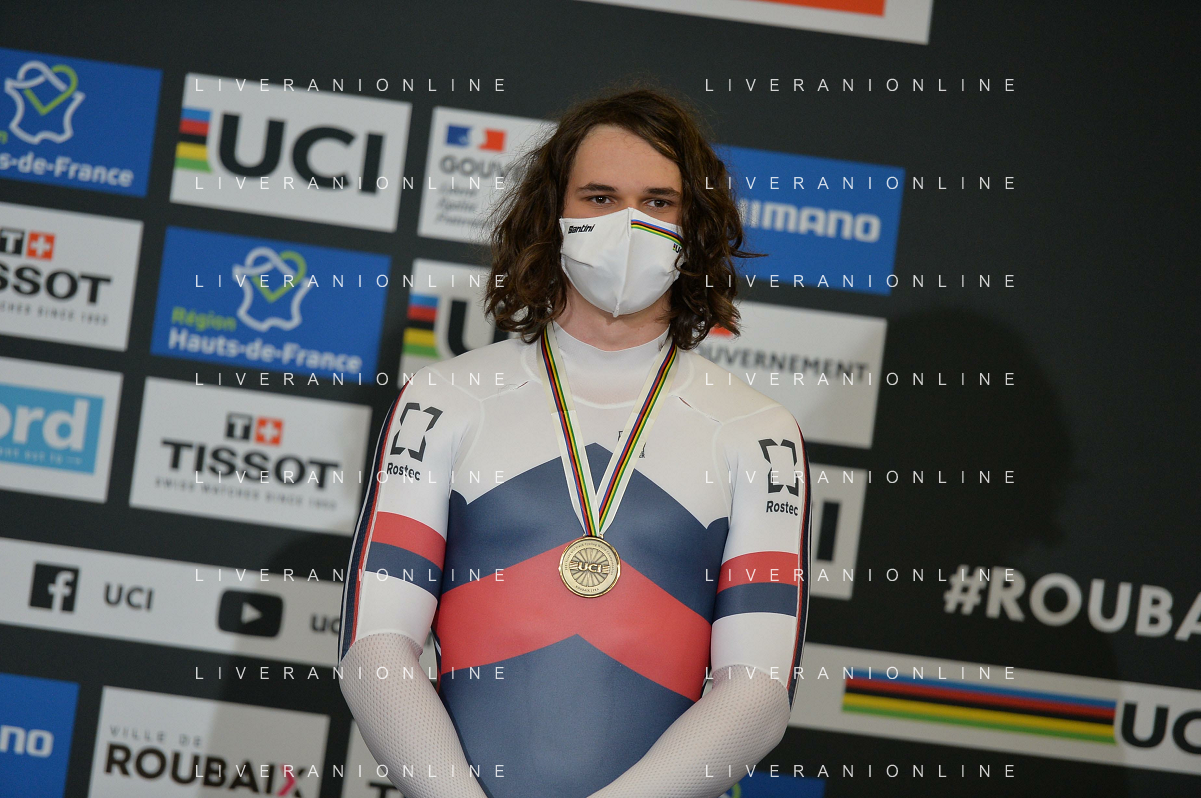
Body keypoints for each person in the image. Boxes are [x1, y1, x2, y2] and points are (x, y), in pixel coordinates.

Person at [338, 85, 811, 798]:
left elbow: (758, 691)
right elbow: (375, 651)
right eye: (599, 197)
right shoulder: (443, 399)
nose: (628, 224)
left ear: (695, 225)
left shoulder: (757, 432)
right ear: (551, 214)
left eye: (658, 202)